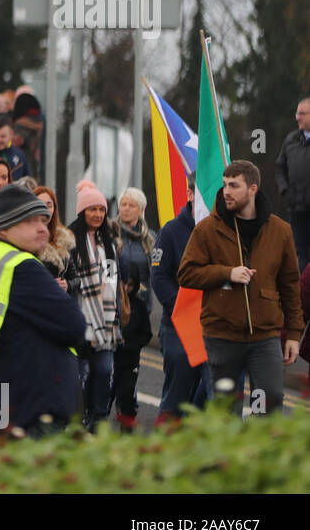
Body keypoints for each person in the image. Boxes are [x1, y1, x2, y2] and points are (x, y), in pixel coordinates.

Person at [0, 185, 85, 435]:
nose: (42, 228)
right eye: (30, 221)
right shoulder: (22, 266)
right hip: (29, 411)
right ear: (5, 227)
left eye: (43, 220)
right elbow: (75, 325)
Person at [178, 160, 303, 416]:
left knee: (271, 401)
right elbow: (186, 273)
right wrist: (226, 273)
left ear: (253, 189)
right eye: (225, 185)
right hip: (221, 333)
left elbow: (290, 285)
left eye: (234, 185)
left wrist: (293, 334)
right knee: (225, 410)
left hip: (265, 336)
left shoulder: (280, 231)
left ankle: (259, 455)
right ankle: (226, 457)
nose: (226, 191)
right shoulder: (207, 229)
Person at [149, 179, 212, 421]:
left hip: (211, 326)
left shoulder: (221, 231)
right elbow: (159, 276)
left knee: (211, 393)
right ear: (189, 194)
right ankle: (165, 447)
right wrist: (183, 306)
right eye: (202, 193)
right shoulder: (171, 231)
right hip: (178, 326)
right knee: (177, 393)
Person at [66, 182, 123, 429]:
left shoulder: (108, 243)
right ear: (82, 212)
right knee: (79, 377)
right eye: (93, 209)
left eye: (102, 209)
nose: (98, 214)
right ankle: (77, 420)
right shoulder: (69, 242)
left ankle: (98, 419)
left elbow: (113, 281)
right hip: (80, 320)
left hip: (107, 323)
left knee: (104, 372)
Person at [112, 187, 155, 431]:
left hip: (139, 313)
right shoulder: (110, 233)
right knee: (111, 368)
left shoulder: (151, 239)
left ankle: (127, 409)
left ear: (141, 210)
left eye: (131, 205)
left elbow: (154, 275)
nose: (125, 209)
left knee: (130, 368)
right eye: (123, 204)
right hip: (114, 309)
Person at [274, 97, 310, 270]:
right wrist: (285, 191)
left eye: (302, 113)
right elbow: (280, 166)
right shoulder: (291, 140)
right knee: (300, 252)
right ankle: (304, 292)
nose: (297, 117)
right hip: (297, 209)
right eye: (297, 113)